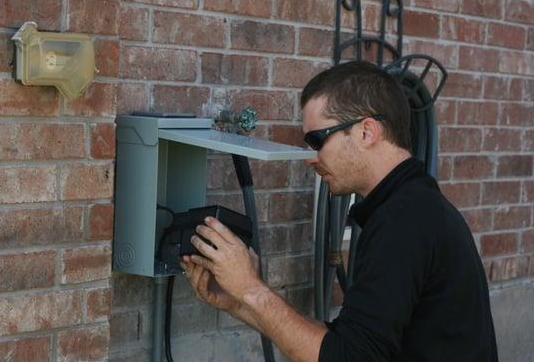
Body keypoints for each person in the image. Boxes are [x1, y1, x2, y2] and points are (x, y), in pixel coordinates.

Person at [180, 61, 498, 362]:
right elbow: (350, 341)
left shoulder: (405, 220)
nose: (312, 158)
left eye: (317, 140)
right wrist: (239, 302)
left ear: (365, 132)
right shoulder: (409, 208)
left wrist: (251, 289)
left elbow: (346, 356)